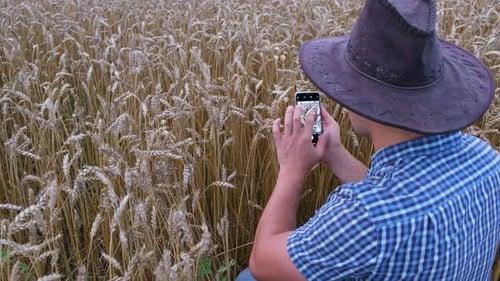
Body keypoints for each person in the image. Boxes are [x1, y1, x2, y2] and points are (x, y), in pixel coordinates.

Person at [237, 0, 500, 280]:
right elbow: (404, 197)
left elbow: (263, 262)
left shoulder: (364, 218)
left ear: (362, 96)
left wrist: (291, 169)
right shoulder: (488, 160)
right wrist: (334, 153)